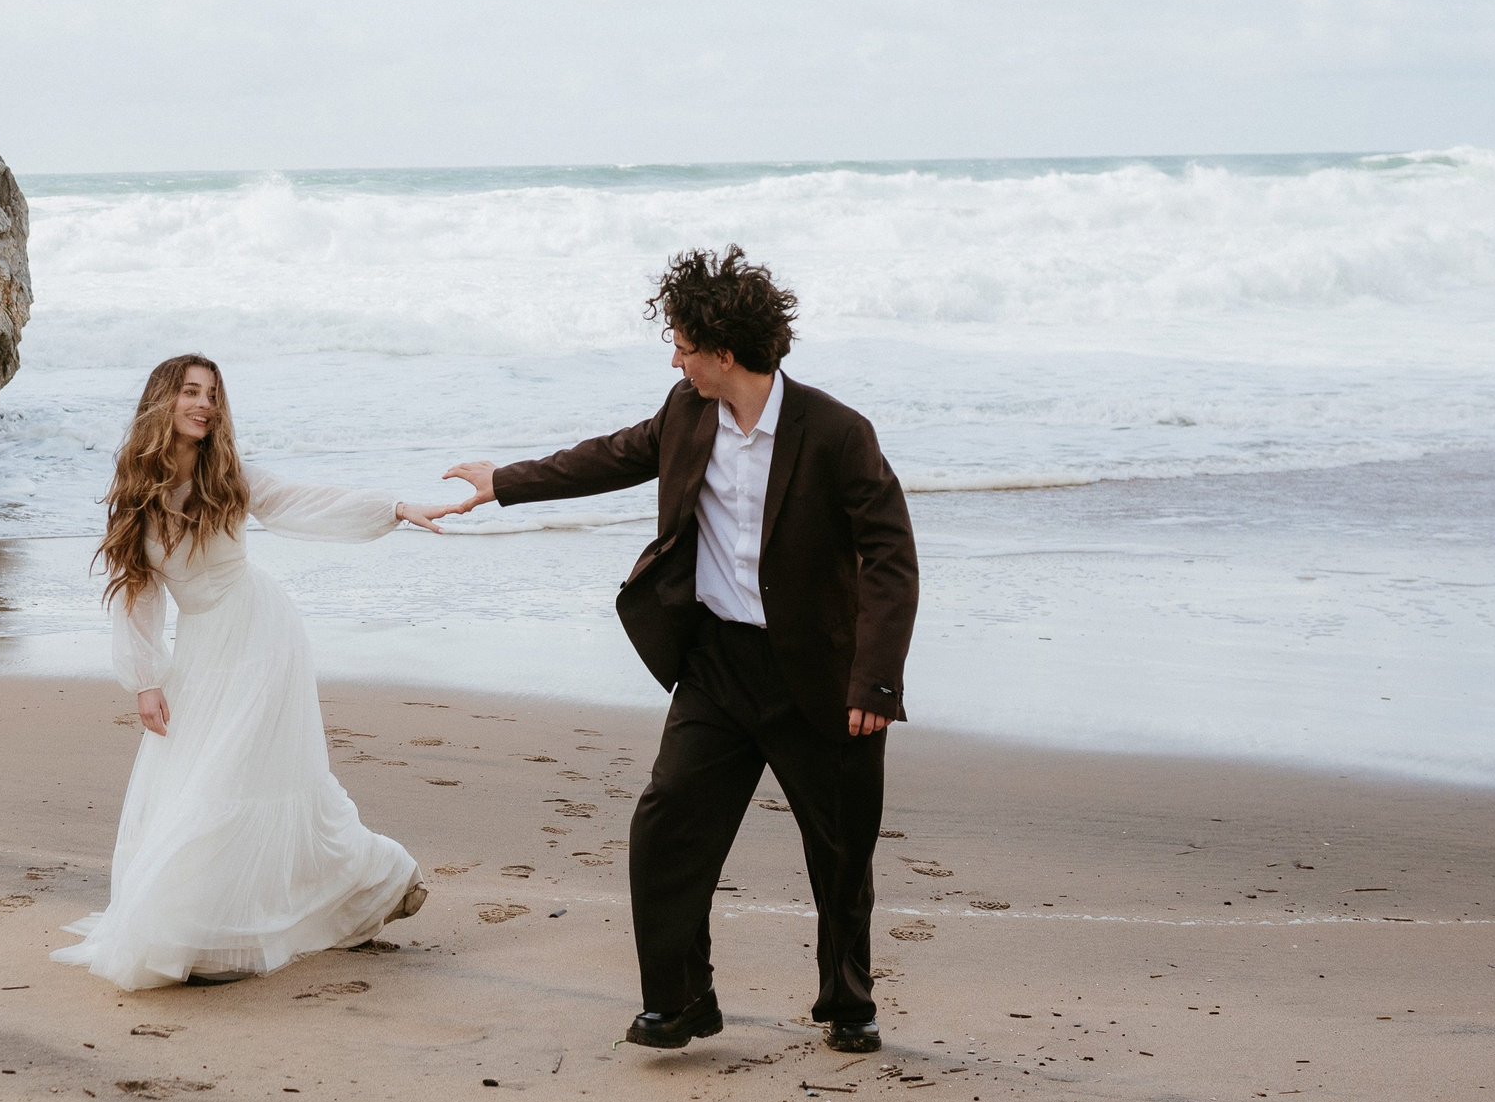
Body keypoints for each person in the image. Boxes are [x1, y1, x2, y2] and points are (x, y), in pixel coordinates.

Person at [444, 247, 919, 1053]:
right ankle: (681, 999)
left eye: (683, 343)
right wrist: (507, 480)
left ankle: (848, 1002)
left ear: (724, 350)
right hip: (717, 668)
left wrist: (874, 682)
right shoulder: (686, 410)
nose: (675, 358)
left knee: (840, 854)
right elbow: (613, 454)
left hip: (820, 675)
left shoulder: (835, 432)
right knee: (665, 829)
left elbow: (892, 556)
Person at [53, 353, 478, 990]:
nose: (203, 405)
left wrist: (390, 509)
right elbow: (138, 592)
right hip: (202, 648)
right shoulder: (135, 492)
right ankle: (332, 891)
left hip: (260, 635)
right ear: (163, 400)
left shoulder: (229, 474)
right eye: (191, 392)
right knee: (200, 780)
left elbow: (303, 502)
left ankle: (273, 917)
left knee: (235, 778)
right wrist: (145, 679)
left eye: (212, 395)